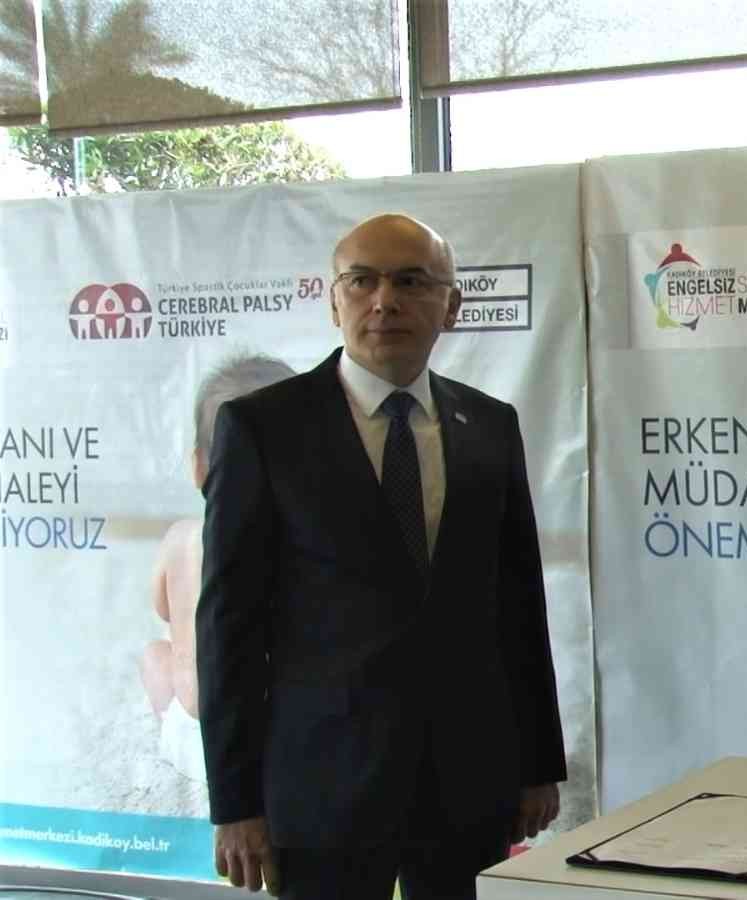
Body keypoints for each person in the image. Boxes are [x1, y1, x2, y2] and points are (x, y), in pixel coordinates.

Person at [196, 213, 565, 899]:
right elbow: (228, 627)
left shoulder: (490, 425)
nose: (385, 301)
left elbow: (517, 604)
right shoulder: (261, 428)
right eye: (362, 280)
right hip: (322, 784)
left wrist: (538, 763)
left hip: (467, 780)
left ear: (451, 305)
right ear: (333, 300)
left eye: (412, 281)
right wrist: (235, 803)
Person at [142, 354, 294, 782]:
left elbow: (162, 608)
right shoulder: (305, 549)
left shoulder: (182, 538)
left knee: (156, 654)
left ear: (198, 466)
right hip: (276, 745)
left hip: (197, 740)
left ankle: (169, 727)